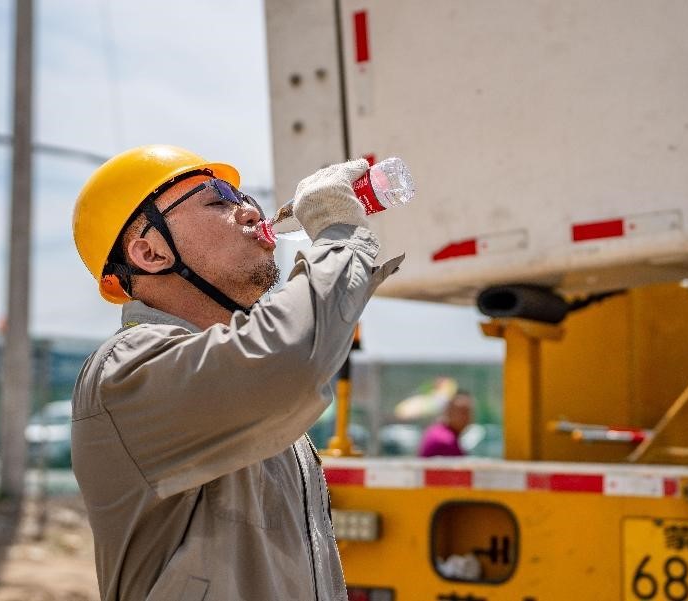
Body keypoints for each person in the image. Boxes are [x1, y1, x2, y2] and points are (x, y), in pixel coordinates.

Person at [70, 145, 403, 601]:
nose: (249, 209)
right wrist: (338, 232)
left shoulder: (240, 378)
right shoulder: (129, 370)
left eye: (242, 195)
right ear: (150, 252)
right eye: (218, 199)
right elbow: (292, 358)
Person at [418, 390, 474, 457]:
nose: (466, 418)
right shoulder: (445, 440)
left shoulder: (437, 431)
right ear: (448, 411)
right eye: (462, 412)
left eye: (468, 412)